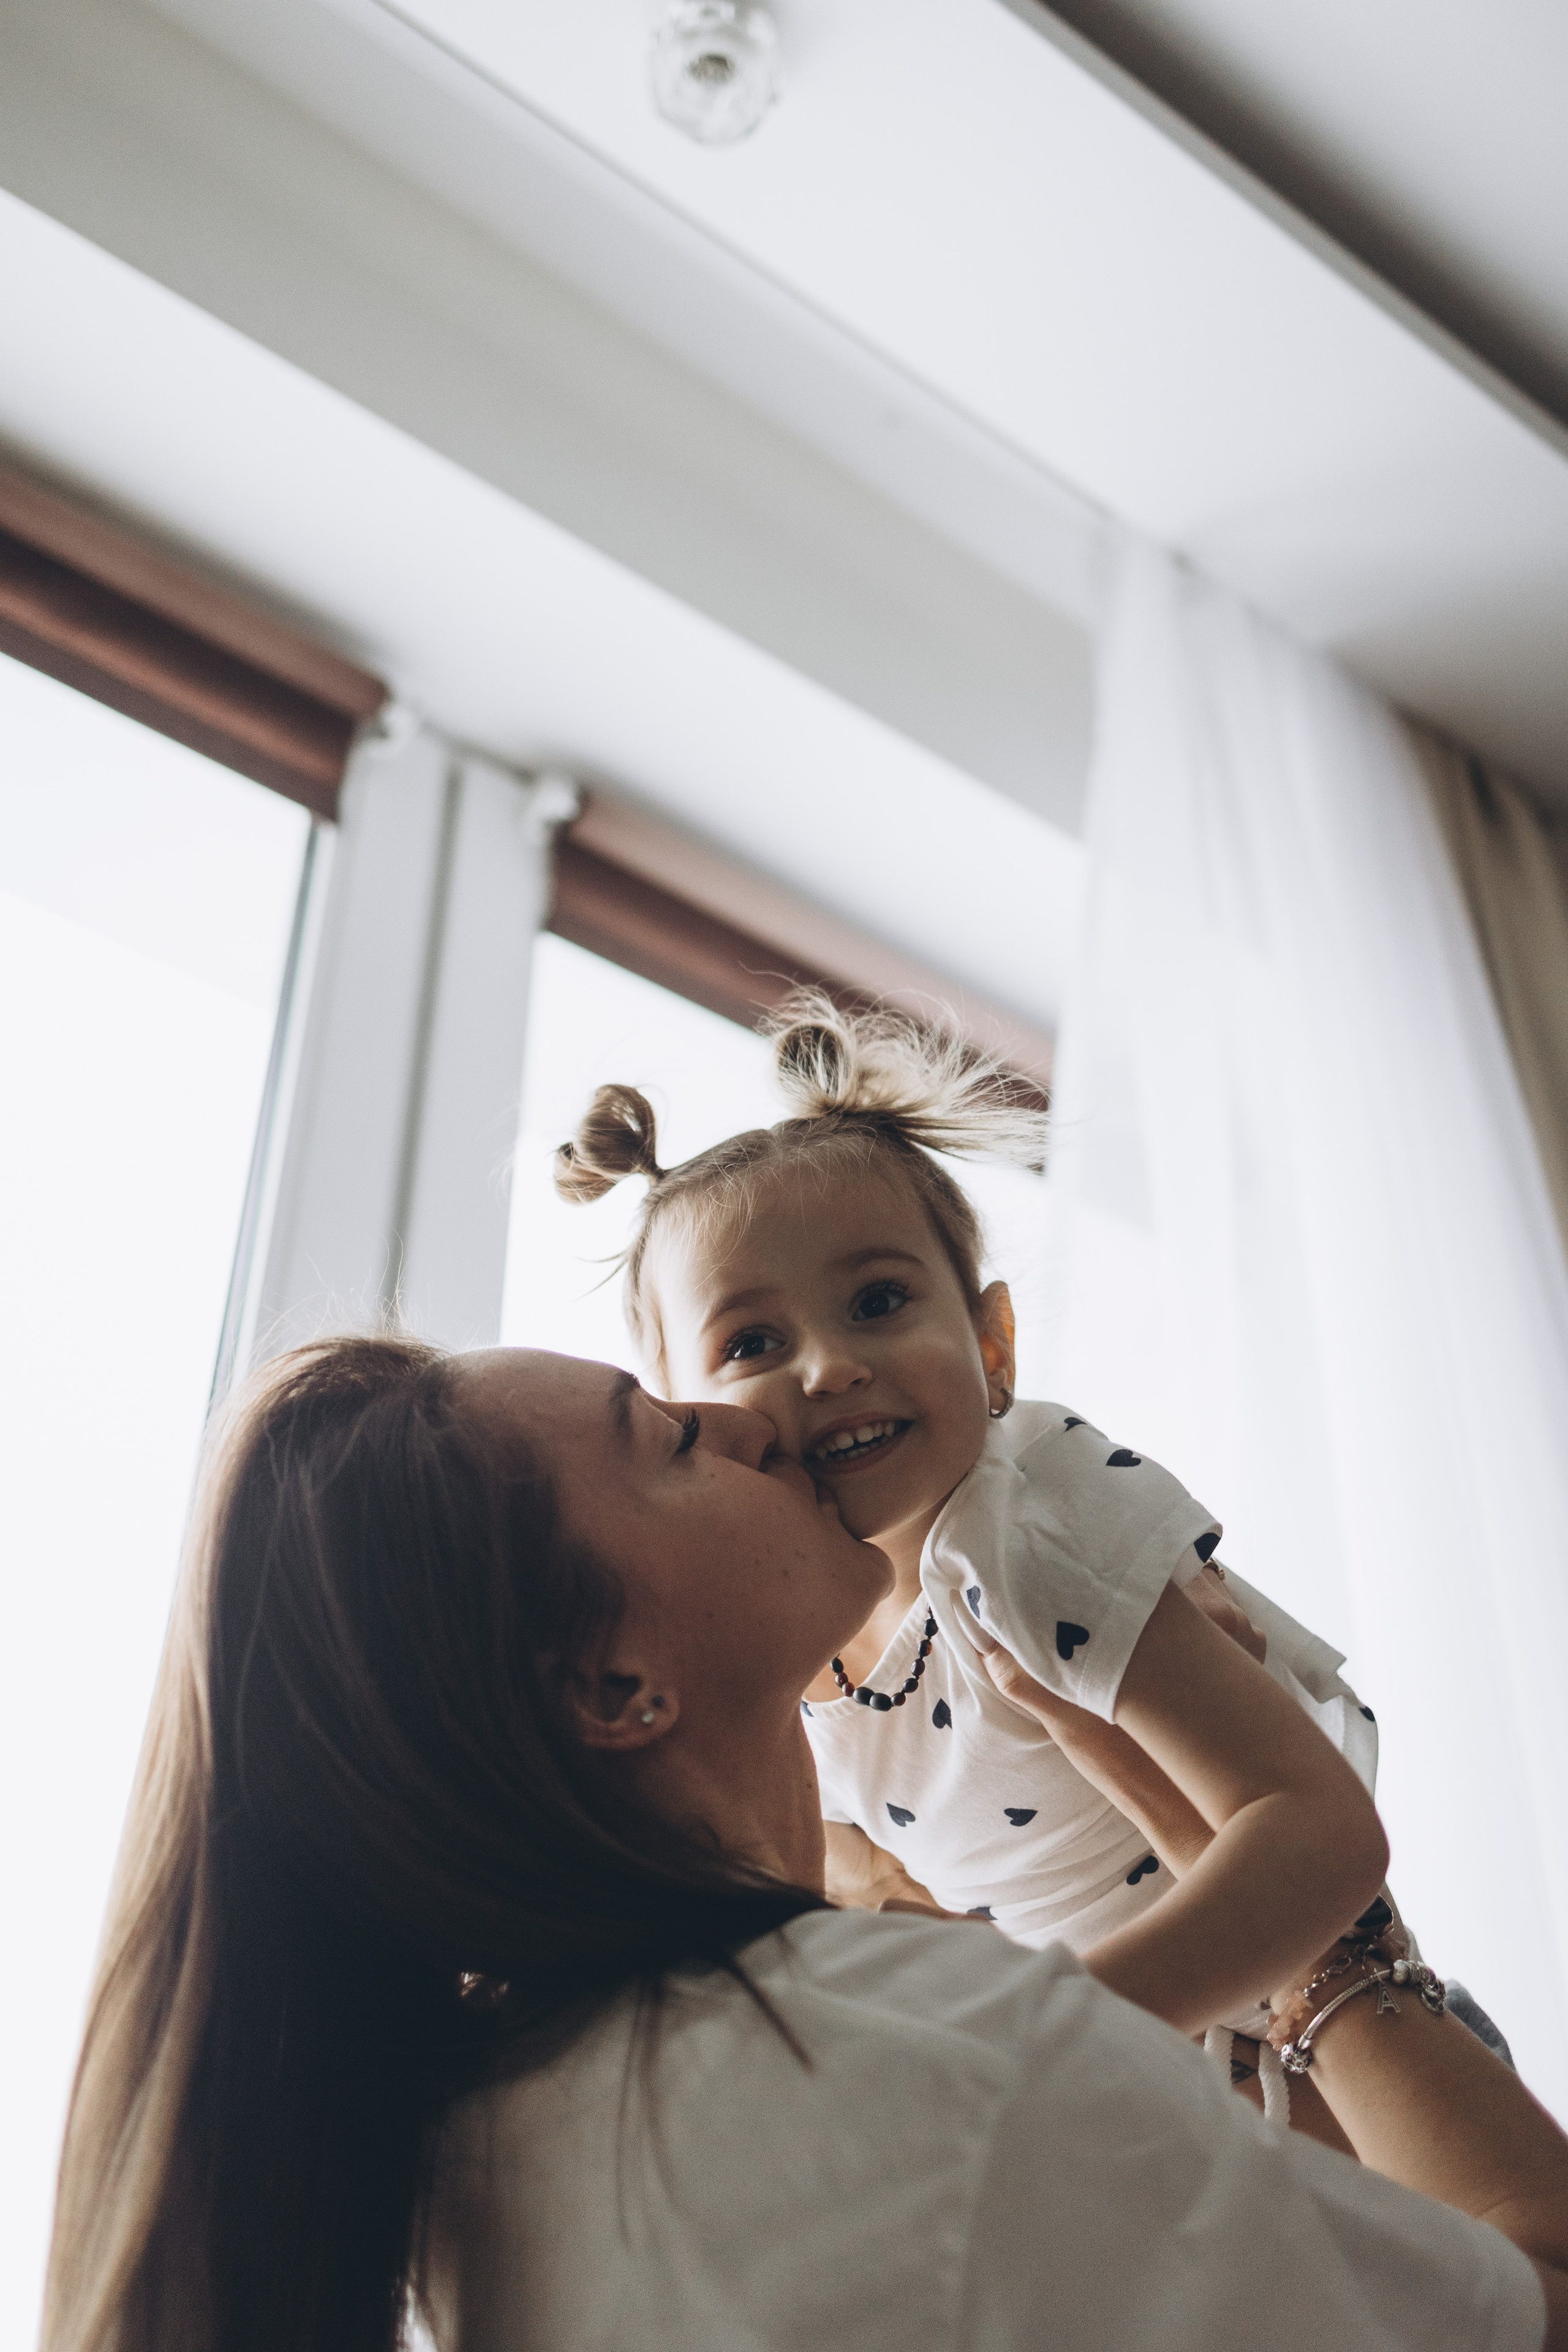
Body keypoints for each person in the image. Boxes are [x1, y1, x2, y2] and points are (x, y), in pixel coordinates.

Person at [42, 1336, 1568, 2352]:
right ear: (616, 1688)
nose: (745, 1413)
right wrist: (1333, 1965)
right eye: (662, 1436)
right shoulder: (935, 2065)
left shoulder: (485, 2164)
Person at [553, 993, 1390, 2083]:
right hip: (1168, 2048)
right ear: (691, 1419)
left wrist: (1062, 2041)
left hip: (1311, 2027)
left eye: (879, 1300)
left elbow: (1320, 1829)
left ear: (994, 1346)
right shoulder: (785, 1643)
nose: (829, 1366)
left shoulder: (1014, 1537)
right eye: (754, 1339)